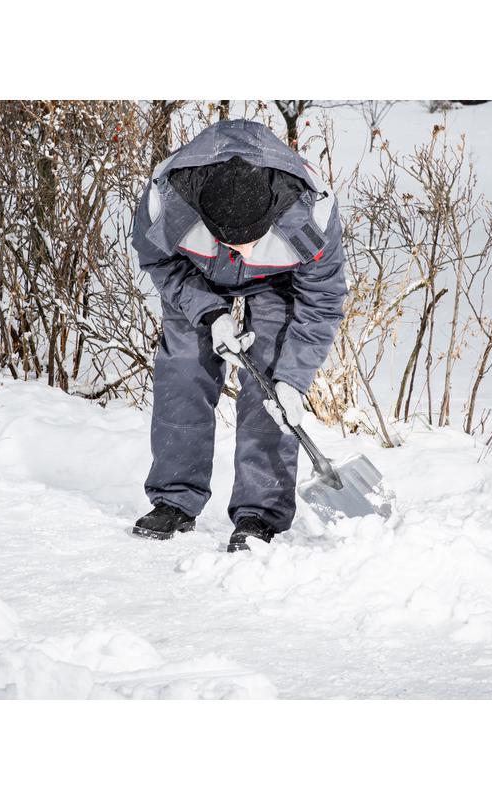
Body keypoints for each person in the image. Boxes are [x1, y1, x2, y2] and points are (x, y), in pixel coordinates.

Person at [131, 118, 347, 552]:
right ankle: (175, 500)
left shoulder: (310, 217)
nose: (245, 253)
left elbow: (321, 301)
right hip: (195, 277)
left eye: (253, 242)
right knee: (183, 369)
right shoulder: (166, 204)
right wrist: (210, 314)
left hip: (277, 284)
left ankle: (258, 514)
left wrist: (293, 381)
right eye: (234, 243)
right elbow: (158, 262)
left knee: (268, 381)